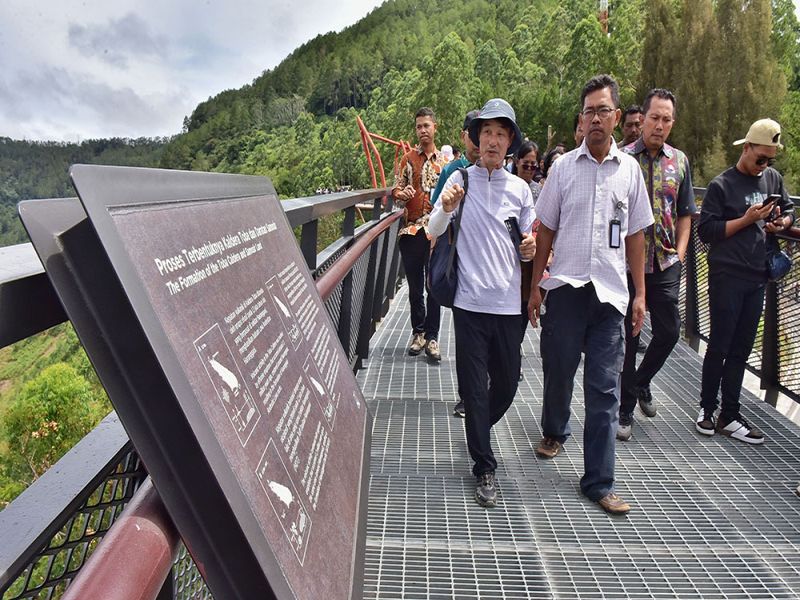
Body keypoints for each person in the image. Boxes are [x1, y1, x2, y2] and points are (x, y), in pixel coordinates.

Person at [528, 74, 653, 515]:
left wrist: (639, 294)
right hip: (565, 289)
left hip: (610, 297)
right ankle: (554, 431)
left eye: (603, 111)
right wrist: (535, 287)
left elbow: (636, 235)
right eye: (588, 112)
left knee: (605, 389)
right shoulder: (563, 169)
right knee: (558, 370)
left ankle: (599, 481)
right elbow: (546, 232)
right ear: (580, 121)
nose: (595, 119)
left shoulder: (630, 172)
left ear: (617, 117)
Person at [430, 98, 535, 508]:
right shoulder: (461, 181)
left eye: (501, 134)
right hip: (470, 305)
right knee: (475, 388)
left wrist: (528, 250)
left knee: (507, 385)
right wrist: (446, 207)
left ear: (510, 142)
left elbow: (528, 245)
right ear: (477, 139)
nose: (492, 141)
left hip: (509, 307)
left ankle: (478, 429)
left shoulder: (521, 190)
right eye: (486, 133)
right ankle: (484, 465)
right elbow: (434, 229)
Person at [696, 118, 795, 444]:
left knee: (741, 349)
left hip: (757, 275)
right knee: (720, 345)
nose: (764, 166)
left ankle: (730, 412)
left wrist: (781, 221)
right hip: (727, 274)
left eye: (770, 160)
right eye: (760, 159)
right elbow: (707, 232)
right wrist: (746, 220)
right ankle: (706, 408)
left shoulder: (773, 179)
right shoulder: (722, 185)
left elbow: (790, 208)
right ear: (747, 148)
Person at [617, 89, 696, 441]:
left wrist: (679, 253)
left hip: (664, 262)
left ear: (672, 123)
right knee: (629, 338)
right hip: (625, 263)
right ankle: (624, 411)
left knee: (668, 332)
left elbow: (685, 213)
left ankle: (639, 382)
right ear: (642, 119)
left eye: (666, 120)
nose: (659, 125)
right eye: (654, 118)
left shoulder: (679, 162)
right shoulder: (621, 159)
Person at [430, 109, 480, 418]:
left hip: (494, 276)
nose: (481, 141)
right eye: (475, 134)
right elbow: (437, 214)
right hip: (461, 265)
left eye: (487, 133)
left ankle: (482, 390)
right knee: (467, 336)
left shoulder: (504, 173)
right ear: (464, 136)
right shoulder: (455, 173)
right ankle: (467, 395)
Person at [391, 107, 446, 362]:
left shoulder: (445, 164)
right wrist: (400, 195)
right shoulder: (407, 160)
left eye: (426, 125)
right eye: (418, 127)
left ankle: (432, 337)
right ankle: (418, 332)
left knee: (433, 285)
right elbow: (396, 189)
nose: (422, 130)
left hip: (435, 232)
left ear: (435, 127)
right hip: (411, 230)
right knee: (415, 287)